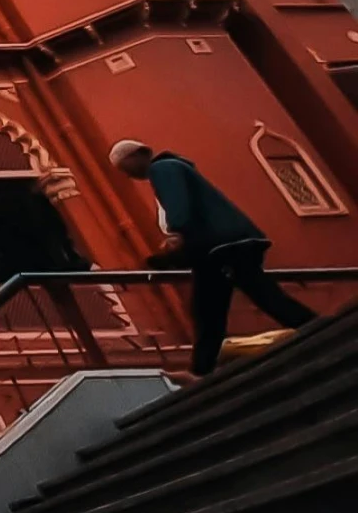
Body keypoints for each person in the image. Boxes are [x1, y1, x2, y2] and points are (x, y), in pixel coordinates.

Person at [109, 140, 317, 376]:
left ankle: (316, 327)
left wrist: (177, 232)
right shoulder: (175, 168)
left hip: (224, 248)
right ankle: (200, 370)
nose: (128, 175)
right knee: (209, 310)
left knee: (256, 298)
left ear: (139, 154)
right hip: (218, 250)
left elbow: (180, 208)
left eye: (125, 167)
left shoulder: (162, 169)